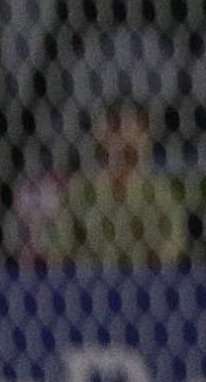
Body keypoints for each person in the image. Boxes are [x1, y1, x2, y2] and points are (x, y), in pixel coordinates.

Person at [44, 101, 187, 268]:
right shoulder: (79, 189)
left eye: (138, 130)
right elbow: (58, 251)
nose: (125, 137)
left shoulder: (161, 191)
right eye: (116, 129)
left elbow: (172, 248)